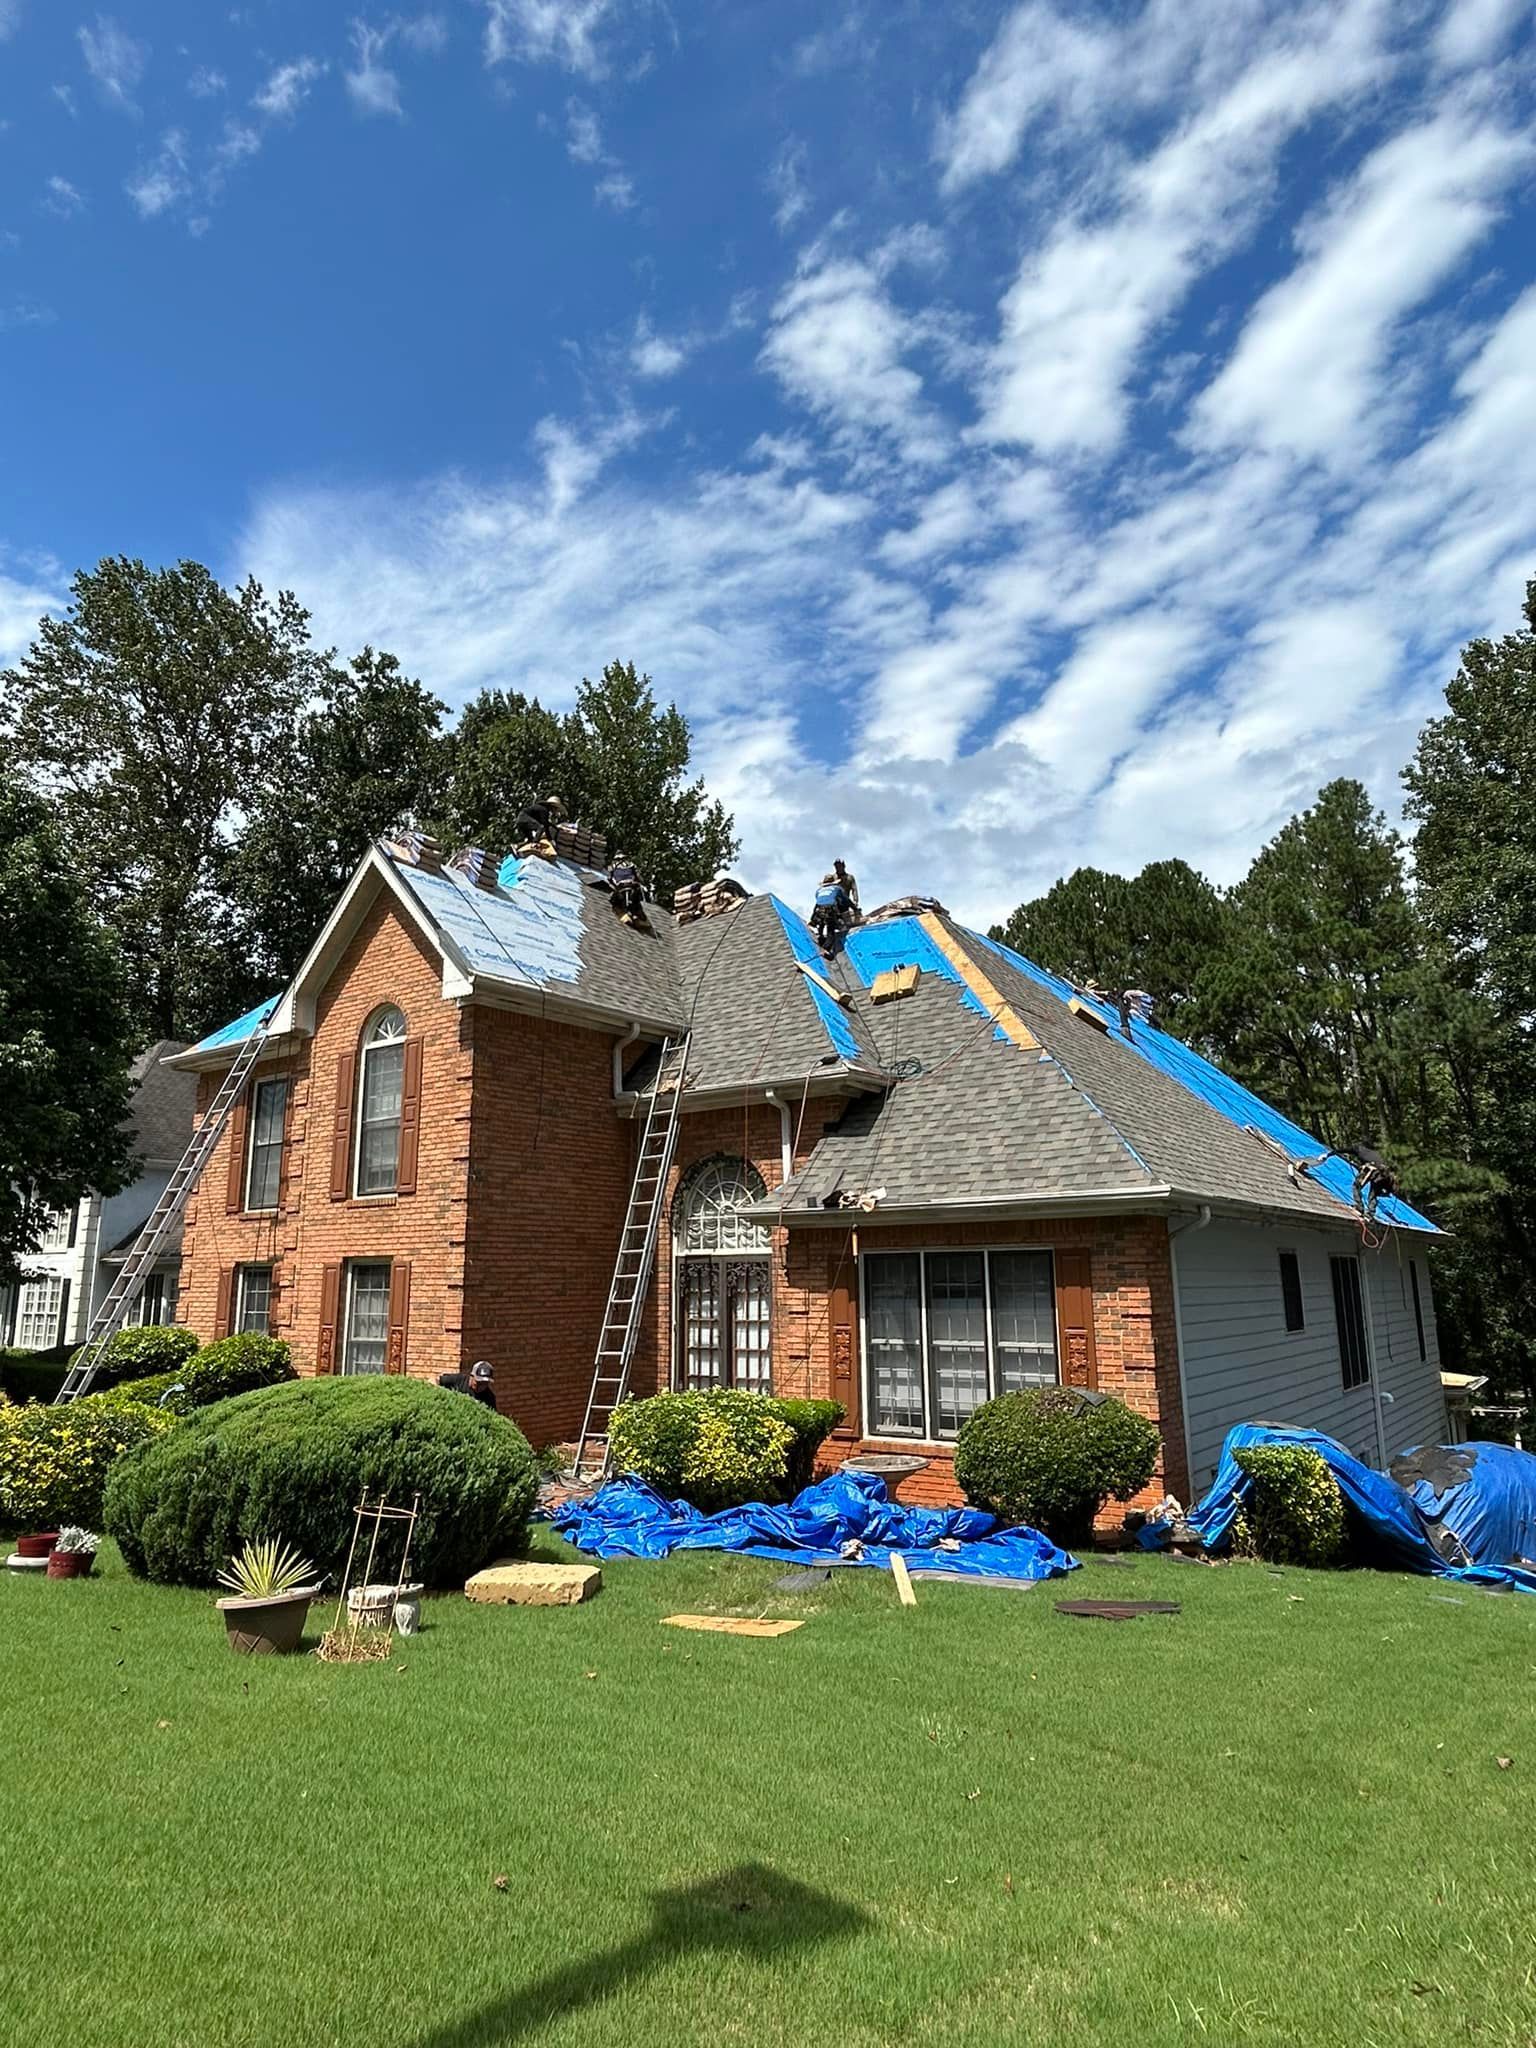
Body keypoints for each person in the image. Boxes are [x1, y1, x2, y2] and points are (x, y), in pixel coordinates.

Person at [513, 794, 565, 858]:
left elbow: (546, 823)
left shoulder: (541, 809)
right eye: (556, 809)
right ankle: (535, 844)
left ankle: (517, 846)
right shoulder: (544, 810)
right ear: (553, 807)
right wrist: (551, 840)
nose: (556, 811)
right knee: (541, 827)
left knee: (530, 840)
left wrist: (554, 827)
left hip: (521, 820)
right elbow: (545, 826)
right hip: (524, 818)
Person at [608, 853, 646, 928]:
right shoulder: (631, 864)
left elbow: (610, 878)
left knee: (615, 900)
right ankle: (637, 915)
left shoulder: (612, 866)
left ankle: (632, 915)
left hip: (621, 887)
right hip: (630, 886)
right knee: (636, 901)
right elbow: (639, 877)